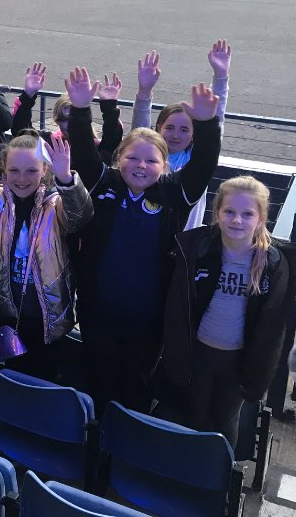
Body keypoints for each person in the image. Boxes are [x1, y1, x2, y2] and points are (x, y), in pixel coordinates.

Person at [65, 66, 221, 415]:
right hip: (96, 314)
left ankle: (124, 447)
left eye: (151, 160)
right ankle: (95, 446)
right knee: (98, 384)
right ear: (118, 158)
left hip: (148, 323)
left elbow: (204, 165)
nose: (140, 165)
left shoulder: (175, 195)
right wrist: (79, 110)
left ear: (165, 165)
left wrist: (209, 125)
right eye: (132, 157)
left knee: (134, 390)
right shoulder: (102, 184)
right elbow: (82, 153)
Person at [0, 100, 93, 381]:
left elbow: (80, 214)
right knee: (10, 375)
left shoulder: (56, 205)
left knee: (44, 375)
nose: (22, 179)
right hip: (6, 309)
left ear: (45, 171)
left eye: (32, 170)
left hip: (49, 315)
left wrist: (67, 177)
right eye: (14, 171)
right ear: (3, 171)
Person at [163, 176, 291, 447]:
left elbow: (271, 330)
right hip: (199, 353)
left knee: (225, 421)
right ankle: (191, 467)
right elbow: (177, 310)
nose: (237, 220)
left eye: (247, 214)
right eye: (229, 212)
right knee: (195, 413)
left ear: (260, 219)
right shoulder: (197, 249)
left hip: (237, 361)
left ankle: (217, 477)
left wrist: (258, 376)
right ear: (217, 213)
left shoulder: (272, 263)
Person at [131, 42, 231, 229]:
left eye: (184, 130)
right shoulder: (147, 157)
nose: (175, 135)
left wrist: (220, 76)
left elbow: (215, 123)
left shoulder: (196, 159)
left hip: (185, 242)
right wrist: (144, 92)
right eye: (169, 127)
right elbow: (139, 133)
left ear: (195, 134)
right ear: (158, 128)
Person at [12, 62, 123, 165]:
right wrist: (28, 95)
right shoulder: (49, 142)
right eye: (64, 119)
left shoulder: (96, 147)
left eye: (74, 119)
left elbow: (111, 142)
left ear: (84, 119)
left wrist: (109, 108)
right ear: (56, 120)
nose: (70, 125)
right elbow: (21, 133)